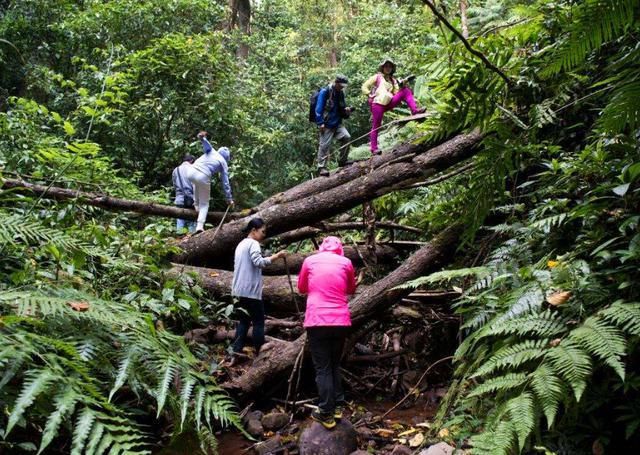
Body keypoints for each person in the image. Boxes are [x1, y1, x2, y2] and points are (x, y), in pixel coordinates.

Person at [297, 236, 357, 430]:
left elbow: (301, 288)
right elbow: (350, 289)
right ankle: (338, 406)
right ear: (339, 249)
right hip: (340, 321)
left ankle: (326, 412)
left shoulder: (310, 261)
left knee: (323, 368)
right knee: (334, 365)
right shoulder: (346, 262)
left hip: (317, 321)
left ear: (322, 248)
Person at [230, 218, 286, 362]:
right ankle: (260, 352)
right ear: (253, 230)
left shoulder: (241, 244)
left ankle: (235, 352)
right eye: (262, 231)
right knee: (258, 322)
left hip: (238, 290)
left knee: (243, 321)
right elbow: (259, 262)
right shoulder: (253, 243)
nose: (263, 235)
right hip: (250, 291)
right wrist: (276, 256)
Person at [361, 58, 426, 155]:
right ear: (382, 67)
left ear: (392, 68)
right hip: (378, 104)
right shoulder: (377, 77)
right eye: (386, 66)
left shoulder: (393, 80)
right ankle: (374, 149)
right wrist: (369, 94)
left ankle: (414, 110)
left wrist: (402, 85)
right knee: (376, 126)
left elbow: (396, 92)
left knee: (405, 90)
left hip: (388, 102)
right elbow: (364, 86)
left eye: (390, 66)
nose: (388, 68)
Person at [185, 131, 234, 233]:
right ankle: (199, 226)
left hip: (190, 171)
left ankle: (196, 205)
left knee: (196, 183)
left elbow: (207, 145)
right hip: (203, 175)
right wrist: (229, 199)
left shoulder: (212, 151)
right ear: (227, 158)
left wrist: (202, 138)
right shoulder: (223, 162)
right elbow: (225, 183)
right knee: (205, 204)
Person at [314, 75, 355, 177]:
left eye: (343, 86)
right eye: (340, 85)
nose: (342, 87)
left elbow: (342, 106)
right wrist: (320, 122)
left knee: (346, 137)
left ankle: (342, 161)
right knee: (324, 145)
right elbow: (318, 109)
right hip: (326, 123)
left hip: (337, 122)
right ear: (336, 83)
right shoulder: (325, 92)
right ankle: (321, 168)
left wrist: (347, 110)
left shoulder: (340, 93)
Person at [172, 153, 196, 234]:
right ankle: (192, 240)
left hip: (179, 199)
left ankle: (179, 241)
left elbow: (174, 185)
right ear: (192, 160)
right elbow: (195, 185)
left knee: (180, 220)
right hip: (191, 199)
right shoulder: (193, 168)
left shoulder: (176, 170)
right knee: (192, 221)